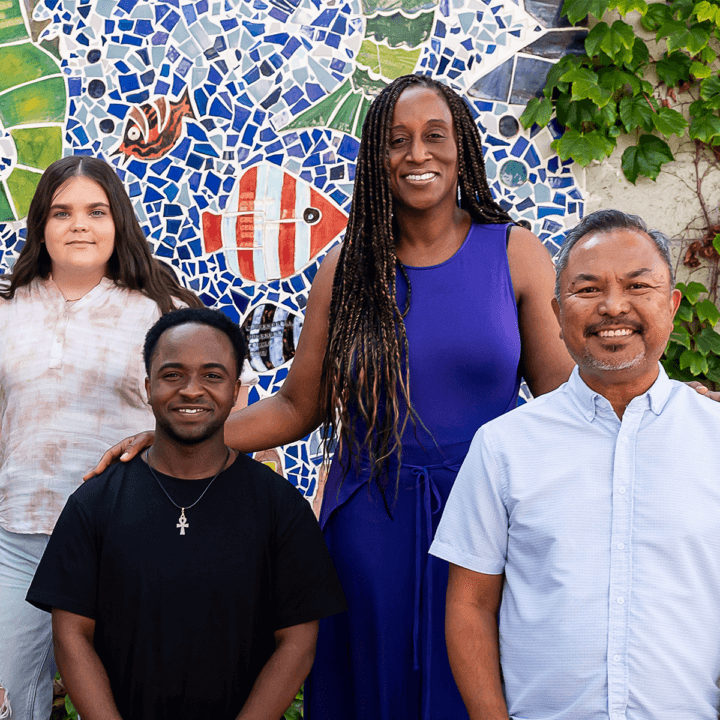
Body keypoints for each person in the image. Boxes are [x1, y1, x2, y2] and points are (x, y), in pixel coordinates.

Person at [84, 76, 718, 718]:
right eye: (398, 140)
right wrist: (186, 440)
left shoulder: (513, 252)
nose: (419, 154)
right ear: (376, 158)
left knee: (478, 688)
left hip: (494, 521)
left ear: (461, 146)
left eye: (434, 136)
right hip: (372, 523)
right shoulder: (346, 269)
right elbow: (299, 408)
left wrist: (665, 403)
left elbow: (571, 391)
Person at [430, 209, 720, 720]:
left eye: (638, 286)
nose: (613, 307)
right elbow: (470, 605)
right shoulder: (504, 446)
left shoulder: (712, 437)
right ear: (558, 311)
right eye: (588, 290)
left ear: (671, 306)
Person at [26, 307, 347, 720]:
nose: (191, 390)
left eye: (212, 375)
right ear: (147, 386)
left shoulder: (279, 507)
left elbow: (298, 641)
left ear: (236, 390)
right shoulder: (96, 502)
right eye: (172, 374)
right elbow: (71, 636)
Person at [0, 155, 204, 720]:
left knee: (125, 699)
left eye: (96, 210)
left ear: (120, 221)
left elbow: (227, 411)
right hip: (16, 538)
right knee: (11, 700)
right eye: (61, 212)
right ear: (40, 225)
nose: (79, 224)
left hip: (127, 539)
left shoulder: (164, 310)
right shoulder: (5, 308)